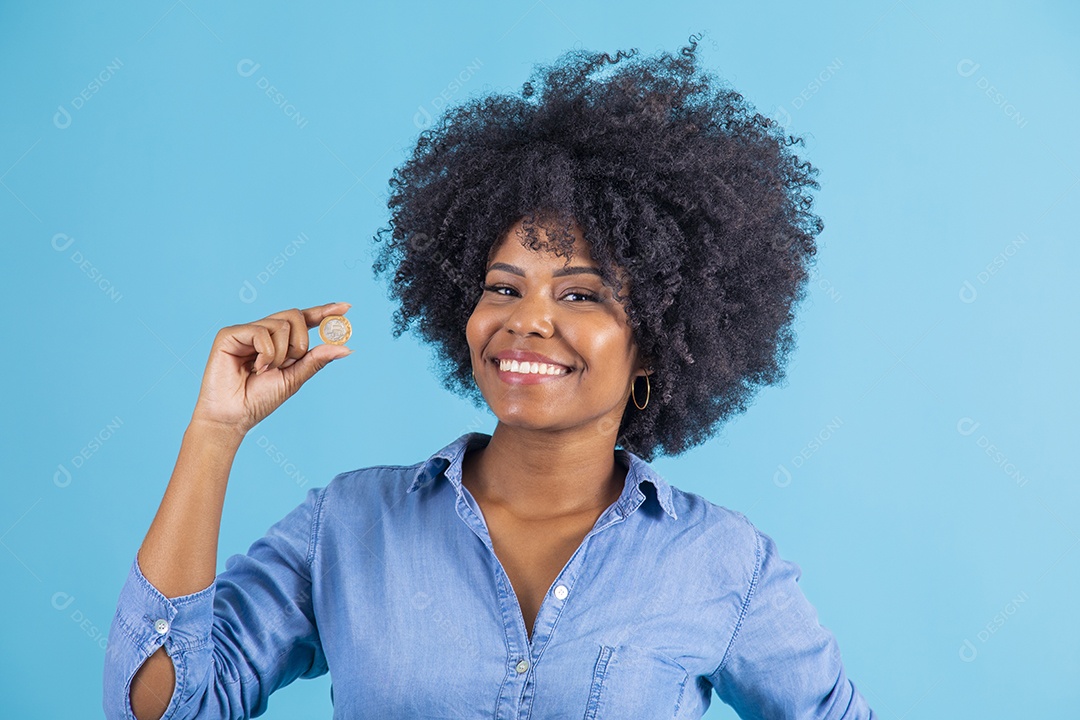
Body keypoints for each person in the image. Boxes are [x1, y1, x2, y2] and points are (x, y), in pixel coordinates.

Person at [103, 37, 877, 719]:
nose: (527, 320)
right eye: (503, 287)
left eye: (581, 295)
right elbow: (166, 708)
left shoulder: (721, 561)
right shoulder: (349, 525)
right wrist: (215, 432)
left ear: (656, 343)